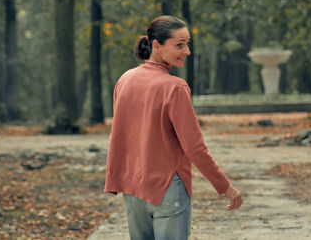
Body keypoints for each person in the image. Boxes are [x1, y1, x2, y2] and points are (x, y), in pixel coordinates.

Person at [104, 15, 243, 240]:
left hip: (133, 190)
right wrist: (225, 186)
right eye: (179, 45)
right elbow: (195, 148)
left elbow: (120, 136)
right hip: (167, 187)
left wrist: (115, 177)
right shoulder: (175, 87)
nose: (186, 51)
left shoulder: (125, 80)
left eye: (187, 43)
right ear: (156, 46)